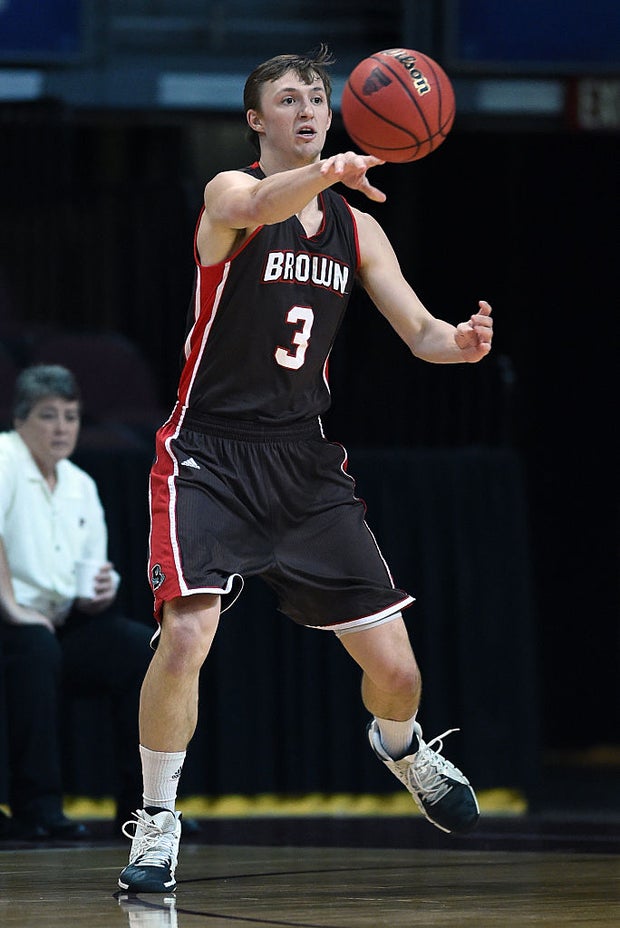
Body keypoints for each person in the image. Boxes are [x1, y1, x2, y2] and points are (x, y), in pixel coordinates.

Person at [119, 45, 494, 893]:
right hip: (207, 450)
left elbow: (422, 332)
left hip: (301, 461)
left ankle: (401, 751)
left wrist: (460, 346)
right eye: (288, 99)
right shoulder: (230, 195)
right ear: (257, 121)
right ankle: (156, 822)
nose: (308, 108)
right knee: (185, 636)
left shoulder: (359, 228)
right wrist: (326, 171)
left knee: (398, 673)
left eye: (317, 98)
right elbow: (254, 199)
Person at [0, 364, 153, 839]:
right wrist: (11, 607)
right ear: (21, 419)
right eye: (49, 416)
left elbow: (91, 567)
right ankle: (37, 808)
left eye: (71, 416)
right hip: (10, 619)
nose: (63, 427)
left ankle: (142, 811)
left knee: (139, 649)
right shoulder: (4, 457)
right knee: (35, 647)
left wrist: (101, 591)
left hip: (60, 618)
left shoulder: (80, 483)